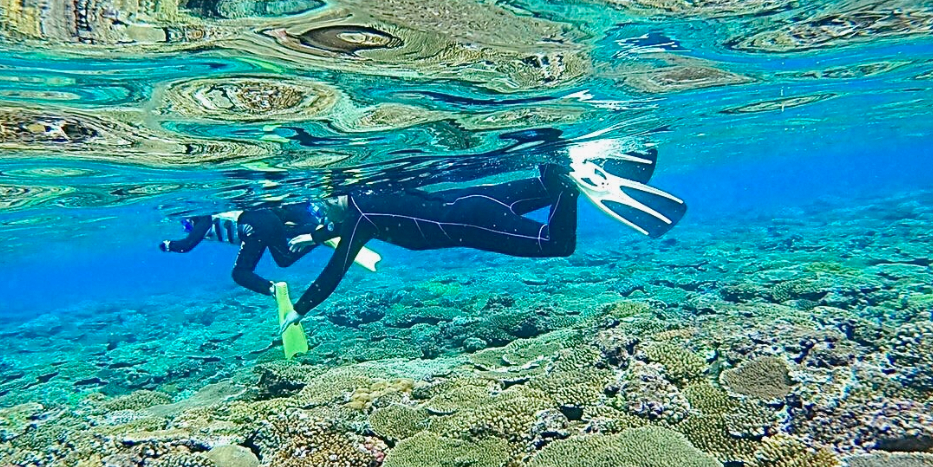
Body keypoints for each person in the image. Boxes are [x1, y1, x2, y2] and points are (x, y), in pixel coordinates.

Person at [160, 140, 686, 336]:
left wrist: (300, 309)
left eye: (325, 209)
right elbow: (326, 236)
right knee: (544, 177)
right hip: (484, 197)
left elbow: (336, 268)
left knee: (557, 244)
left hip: (476, 221)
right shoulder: (374, 196)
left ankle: (572, 184)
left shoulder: (361, 215)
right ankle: (570, 166)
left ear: (341, 199)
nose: (322, 218)